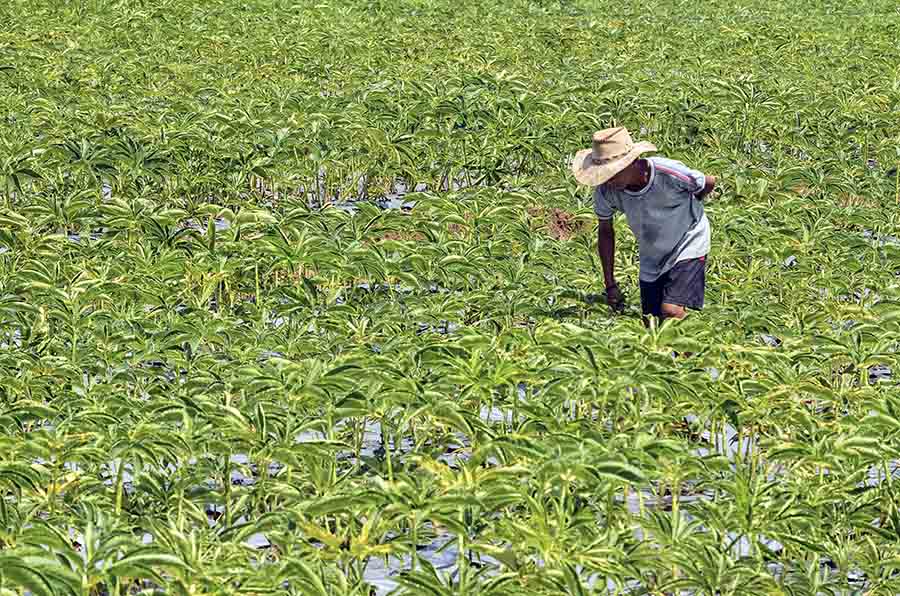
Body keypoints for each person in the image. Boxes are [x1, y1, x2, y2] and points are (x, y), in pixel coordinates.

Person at [571, 127, 717, 322]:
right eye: (604, 175)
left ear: (632, 162)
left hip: (688, 241)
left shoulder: (668, 173)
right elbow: (605, 232)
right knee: (651, 321)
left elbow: (708, 182)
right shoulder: (606, 191)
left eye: (613, 173)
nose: (608, 180)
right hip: (652, 255)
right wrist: (610, 284)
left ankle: (700, 340)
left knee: (671, 311)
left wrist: (690, 206)